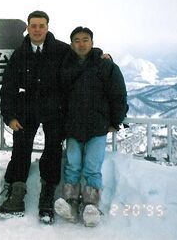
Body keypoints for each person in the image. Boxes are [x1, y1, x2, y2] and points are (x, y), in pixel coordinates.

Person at [0, 10, 108, 224]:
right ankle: (16, 198)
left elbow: (84, 55)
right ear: (27, 27)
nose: (37, 30)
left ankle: (47, 200)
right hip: (26, 109)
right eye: (33, 25)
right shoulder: (20, 54)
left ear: (47, 27)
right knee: (20, 149)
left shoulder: (62, 50)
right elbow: (8, 88)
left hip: (55, 110)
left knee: (52, 151)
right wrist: (9, 116)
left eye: (41, 25)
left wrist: (100, 54)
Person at [54, 27, 127, 227]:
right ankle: (70, 203)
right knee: (72, 166)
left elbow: (118, 95)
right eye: (76, 40)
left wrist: (115, 121)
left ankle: (91, 205)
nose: (81, 44)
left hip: (97, 126)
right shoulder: (66, 67)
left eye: (85, 39)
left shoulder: (106, 66)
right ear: (71, 44)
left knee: (93, 168)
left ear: (92, 42)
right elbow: (60, 97)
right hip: (73, 126)